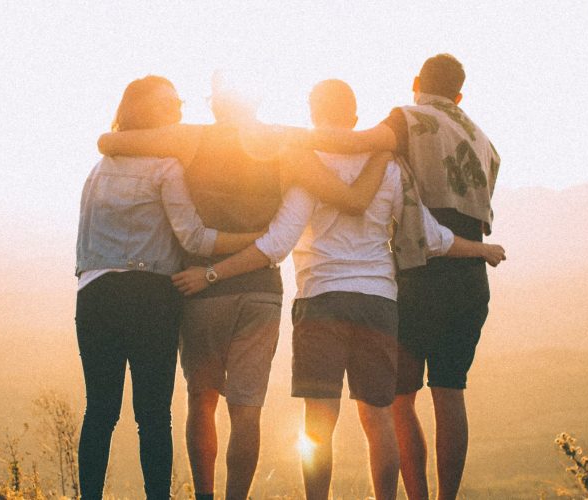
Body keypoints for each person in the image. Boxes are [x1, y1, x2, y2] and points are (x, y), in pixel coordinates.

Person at [172, 79, 505, 500]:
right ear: (353, 115)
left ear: (314, 114)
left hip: (321, 301)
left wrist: (213, 273)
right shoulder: (388, 165)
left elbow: (276, 244)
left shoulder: (308, 165)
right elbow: (431, 236)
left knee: (318, 423)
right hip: (378, 303)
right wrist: (481, 248)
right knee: (378, 418)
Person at [97, 75, 390, 500]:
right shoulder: (286, 142)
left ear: (215, 102)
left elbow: (110, 143)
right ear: (256, 99)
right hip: (260, 291)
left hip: (201, 288)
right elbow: (347, 190)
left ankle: (205, 496)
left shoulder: (189, 139)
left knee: (202, 401)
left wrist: (111, 136)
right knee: (246, 409)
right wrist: (385, 143)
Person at [307, 54, 503, 500]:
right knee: (451, 393)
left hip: (420, 273)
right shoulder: (483, 140)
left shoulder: (407, 119)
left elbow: (358, 144)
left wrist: (286, 141)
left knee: (400, 399)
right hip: (470, 275)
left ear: (417, 82)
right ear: (459, 94)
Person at [74, 75, 263, 500]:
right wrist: (254, 239)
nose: (178, 110)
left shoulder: (98, 170)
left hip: (94, 295)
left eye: (179, 101)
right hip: (149, 298)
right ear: (143, 110)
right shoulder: (166, 167)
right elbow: (194, 239)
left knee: (100, 411)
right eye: (168, 104)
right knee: (154, 415)